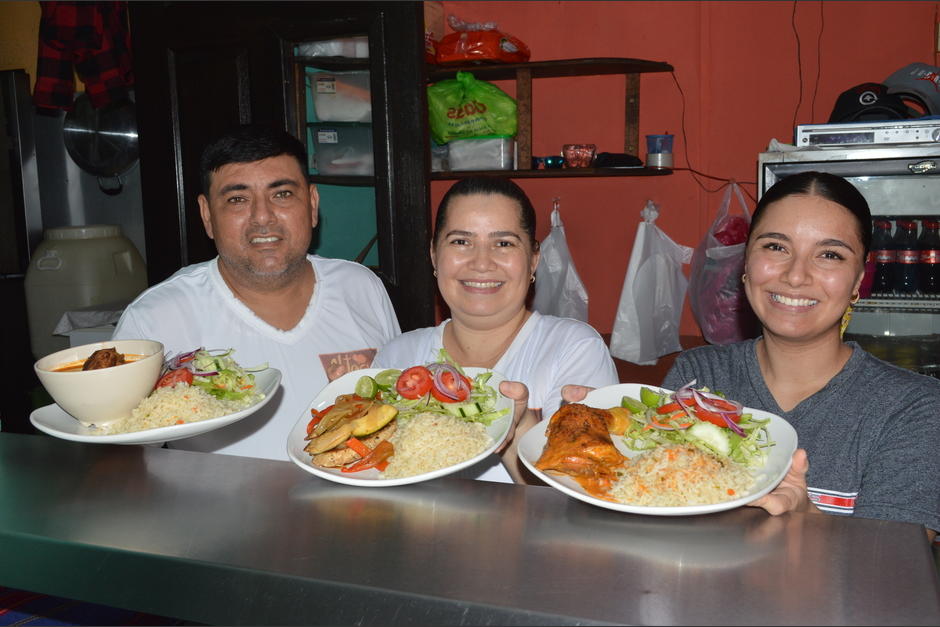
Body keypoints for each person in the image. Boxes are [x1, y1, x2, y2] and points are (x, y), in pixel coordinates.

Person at [662, 172, 939, 538]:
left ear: (858, 280)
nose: (795, 276)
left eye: (829, 254)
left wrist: (809, 519)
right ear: (745, 266)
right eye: (776, 247)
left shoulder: (913, 407)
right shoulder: (699, 377)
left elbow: (895, 569)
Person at [111, 124, 402, 460]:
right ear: (207, 215)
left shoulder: (361, 287)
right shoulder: (157, 318)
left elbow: (397, 415)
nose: (262, 217)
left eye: (282, 194)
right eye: (237, 199)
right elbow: (122, 457)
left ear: (312, 203)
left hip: (360, 507)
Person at [374, 176, 619, 483]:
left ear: (533, 260)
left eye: (503, 243)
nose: (481, 262)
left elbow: (582, 503)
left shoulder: (573, 349)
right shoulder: (398, 356)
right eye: (461, 242)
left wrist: (518, 427)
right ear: (435, 256)